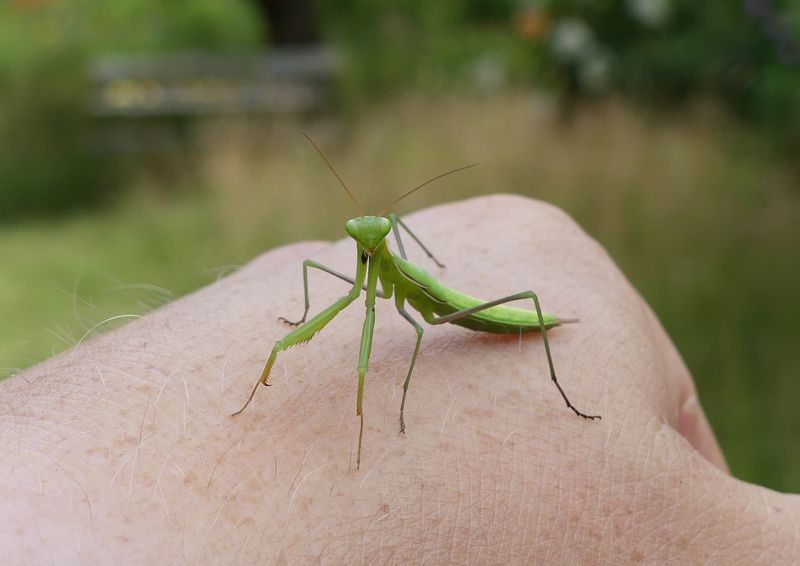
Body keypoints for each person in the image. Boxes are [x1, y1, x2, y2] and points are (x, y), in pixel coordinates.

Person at [1, 195, 797, 563]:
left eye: (370, 235)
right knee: (329, 311)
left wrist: (402, 402)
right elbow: (351, 291)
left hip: (473, 316)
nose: (359, 238)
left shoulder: (408, 282)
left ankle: (557, 389)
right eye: (359, 234)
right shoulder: (359, 260)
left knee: (478, 316)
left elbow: (417, 328)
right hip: (434, 312)